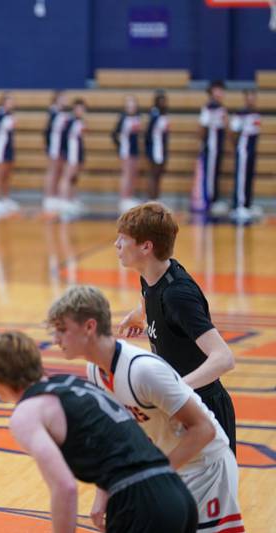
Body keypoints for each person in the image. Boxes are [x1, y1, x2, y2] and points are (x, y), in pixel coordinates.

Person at [46, 286, 244, 533]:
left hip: (205, 466)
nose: (55, 339)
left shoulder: (143, 371)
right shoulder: (96, 371)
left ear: (89, 327)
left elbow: (204, 429)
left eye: (62, 330)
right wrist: (103, 492)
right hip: (169, 466)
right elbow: (116, 438)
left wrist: (156, 477)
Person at [0, 330, 197, 533]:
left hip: (140, 500)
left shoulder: (27, 413)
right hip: (176, 492)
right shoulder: (73, 384)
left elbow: (65, 487)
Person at [116, 202, 237, 453]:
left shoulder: (177, 296)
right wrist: (140, 314)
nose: (116, 245)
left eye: (123, 239)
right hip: (180, 406)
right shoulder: (153, 273)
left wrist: (175, 390)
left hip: (205, 409)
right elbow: (149, 295)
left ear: (146, 247)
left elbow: (224, 358)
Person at [229, 89, 262, 223]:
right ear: (245, 99)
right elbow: (233, 131)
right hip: (243, 150)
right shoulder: (240, 113)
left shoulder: (256, 114)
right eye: (249, 97)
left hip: (252, 150)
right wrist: (237, 146)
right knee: (241, 178)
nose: (251, 100)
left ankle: (247, 204)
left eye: (253, 97)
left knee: (249, 177)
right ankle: (239, 206)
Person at [196, 81, 228, 215]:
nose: (220, 93)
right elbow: (202, 127)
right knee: (210, 175)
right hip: (211, 148)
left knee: (215, 174)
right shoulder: (209, 108)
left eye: (222, 90)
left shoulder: (220, 108)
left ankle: (213, 200)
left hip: (217, 147)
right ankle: (209, 201)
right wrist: (203, 144)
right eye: (217, 90)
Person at [0, 93, 18, 219]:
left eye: (12, 101)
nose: (11, 104)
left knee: (6, 175)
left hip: (8, 149)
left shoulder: (9, 115)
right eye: (9, 101)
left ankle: (4, 199)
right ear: (3, 103)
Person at [42, 90, 69, 214]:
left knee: (59, 172)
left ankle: (56, 196)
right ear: (57, 99)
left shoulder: (63, 113)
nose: (66, 100)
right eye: (63, 98)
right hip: (54, 148)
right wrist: (49, 147)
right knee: (53, 172)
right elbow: (47, 131)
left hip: (62, 147)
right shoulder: (53, 113)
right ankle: (49, 197)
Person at [113, 95, 141, 213]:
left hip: (134, 149)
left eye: (133, 104)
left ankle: (130, 196)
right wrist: (121, 144)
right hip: (126, 150)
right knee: (126, 174)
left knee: (133, 174)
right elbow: (114, 134)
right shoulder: (123, 118)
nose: (131, 107)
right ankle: (124, 198)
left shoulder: (137, 117)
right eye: (129, 104)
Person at [58, 99, 86, 219]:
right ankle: (63, 201)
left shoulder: (81, 121)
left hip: (78, 152)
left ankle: (72, 199)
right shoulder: (70, 122)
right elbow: (63, 138)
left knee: (74, 178)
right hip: (71, 153)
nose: (80, 111)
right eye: (78, 108)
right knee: (67, 177)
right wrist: (64, 152)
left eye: (82, 109)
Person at [144, 91, 169, 201]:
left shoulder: (164, 115)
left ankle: (156, 197)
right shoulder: (154, 115)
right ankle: (152, 198)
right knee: (153, 175)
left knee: (158, 175)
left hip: (162, 149)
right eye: (161, 101)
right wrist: (148, 148)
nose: (163, 103)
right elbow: (148, 133)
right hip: (155, 149)